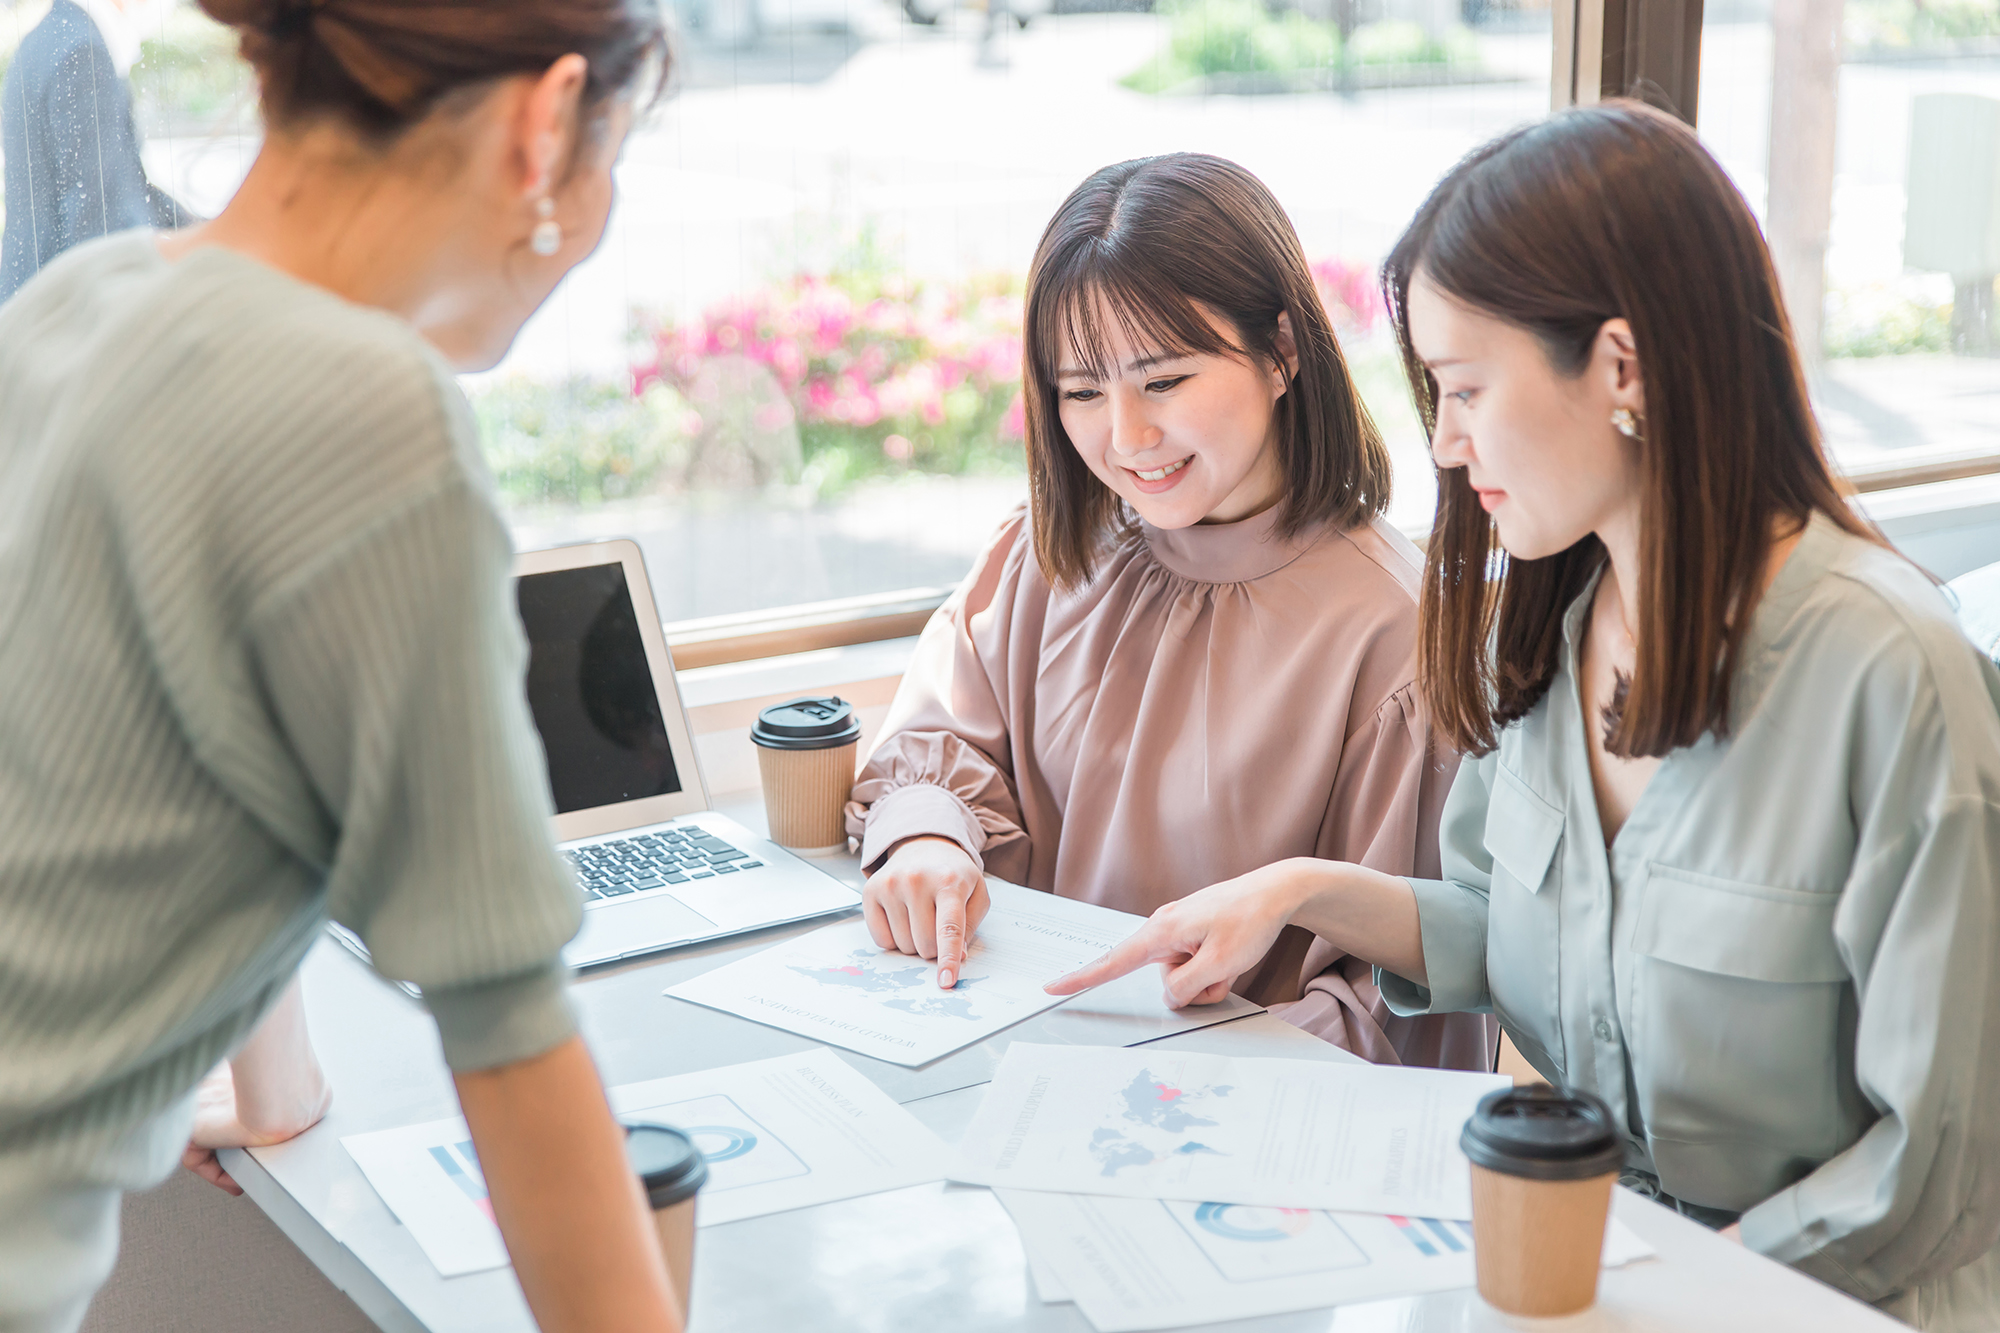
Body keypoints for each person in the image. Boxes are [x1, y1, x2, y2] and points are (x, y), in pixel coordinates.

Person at [1048, 102, 2000, 1327]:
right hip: (1590, 1265)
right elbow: (1518, 926)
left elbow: (1937, 1166)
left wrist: (1653, 1289)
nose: (1441, 444)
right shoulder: (1559, 628)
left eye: (1461, 389)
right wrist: (1293, 890)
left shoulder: (1890, 676)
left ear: (1619, 367)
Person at [0, 0, 690, 1329]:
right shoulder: (370, 415)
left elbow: (163, 761)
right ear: (546, 123)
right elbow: (512, 1034)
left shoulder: (77, 305)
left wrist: (274, 1090)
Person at [846, 153, 1492, 1069]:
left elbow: (1394, 1001)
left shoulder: (1394, 636)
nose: (1126, 437)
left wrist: (1154, 1076)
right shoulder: (1046, 556)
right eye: (1081, 392)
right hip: (1019, 1071)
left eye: (1164, 381)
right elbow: (939, 747)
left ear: (1281, 350)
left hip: (1242, 1131)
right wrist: (923, 833)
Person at [0, 0, 192, 303]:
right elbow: (97, 221)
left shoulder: (55, 37)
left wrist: (206, 231)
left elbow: (125, 184)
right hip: (60, 312)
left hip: (31, 300)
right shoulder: (83, 52)